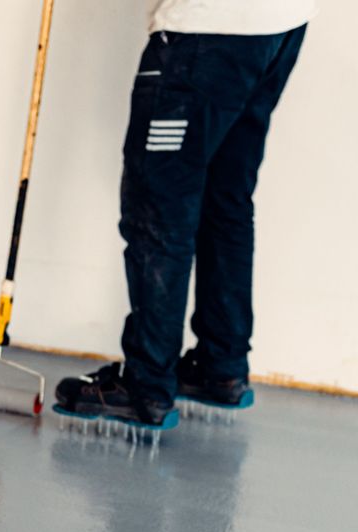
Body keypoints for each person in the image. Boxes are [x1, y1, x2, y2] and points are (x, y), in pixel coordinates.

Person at [54, 1, 313, 432]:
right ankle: (220, 366)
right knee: (224, 195)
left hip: (209, 28)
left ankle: (145, 385)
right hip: (279, 23)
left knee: (159, 200)